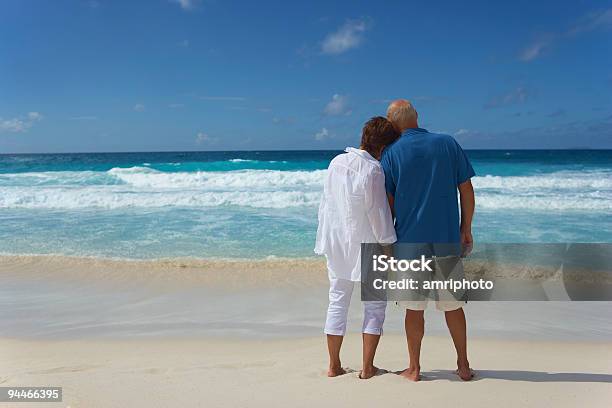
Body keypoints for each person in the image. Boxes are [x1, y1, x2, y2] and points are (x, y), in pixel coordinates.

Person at [381, 99, 476, 381]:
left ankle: (414, 368)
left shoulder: (391, 153)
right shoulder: (447, 143)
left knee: (413, 308)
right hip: (447, 239)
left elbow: (388, 203)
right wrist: (465, 228)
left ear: (392, 124)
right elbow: (467, 189)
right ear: (416, 117)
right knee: (453, 306)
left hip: (409, 243)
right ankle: (463, 365)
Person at [315, 117, 399, 379]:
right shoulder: (373, 170)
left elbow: (326, 203)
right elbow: (378, 214)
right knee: (374, 305)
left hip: (336, 240)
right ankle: (367, 368)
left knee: (337, 301)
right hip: (366, 243)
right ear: (384, 147)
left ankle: (333, 366)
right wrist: (389, 248)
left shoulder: (336, 162)